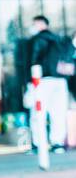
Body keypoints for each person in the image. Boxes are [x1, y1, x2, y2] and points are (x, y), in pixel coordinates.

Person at [25, 14, 71, 152]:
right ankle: (57, 144)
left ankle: (38, 144)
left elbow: (33, 60)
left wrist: (29, 82)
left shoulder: (37, 40)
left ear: (40, 23)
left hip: (41, 80)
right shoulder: (60, 40)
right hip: (60, 81)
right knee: (58, 113)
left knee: (38, 113)